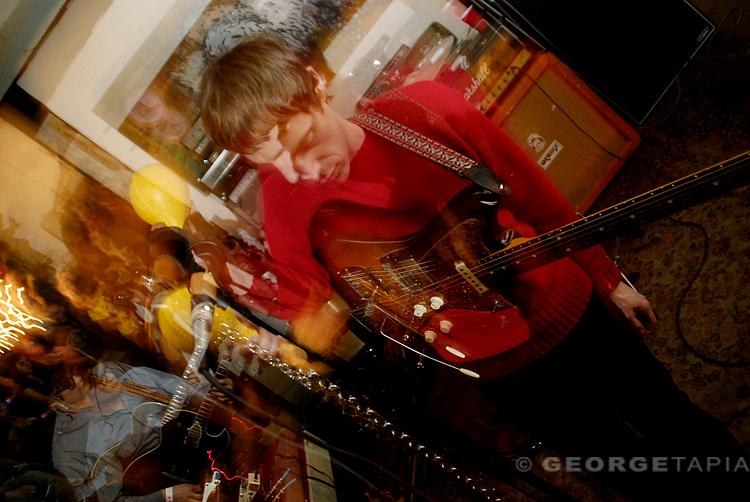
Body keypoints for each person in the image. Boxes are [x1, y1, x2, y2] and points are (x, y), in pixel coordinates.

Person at [199, 34, 747, 500]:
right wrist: (286, 335)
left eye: (301, 142)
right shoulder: (285, 208)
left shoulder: (425, 111)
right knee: (610, 463)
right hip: (500, 371)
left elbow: (538, 196)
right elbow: (309, 312)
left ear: (318, 85)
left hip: (567, 307)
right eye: (268, 163)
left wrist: (609, 279)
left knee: (670, 417)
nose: (295, 174)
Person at [51, 357, 234, 502]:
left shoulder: (109, 373)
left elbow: (181, 391)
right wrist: (166, 497)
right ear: (55, 401)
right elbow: (106, 499)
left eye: (72, 372)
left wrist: (214, 391)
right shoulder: (70, 445)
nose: (77, 379)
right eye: (66, 383)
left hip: (212, 451)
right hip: (172, 485)